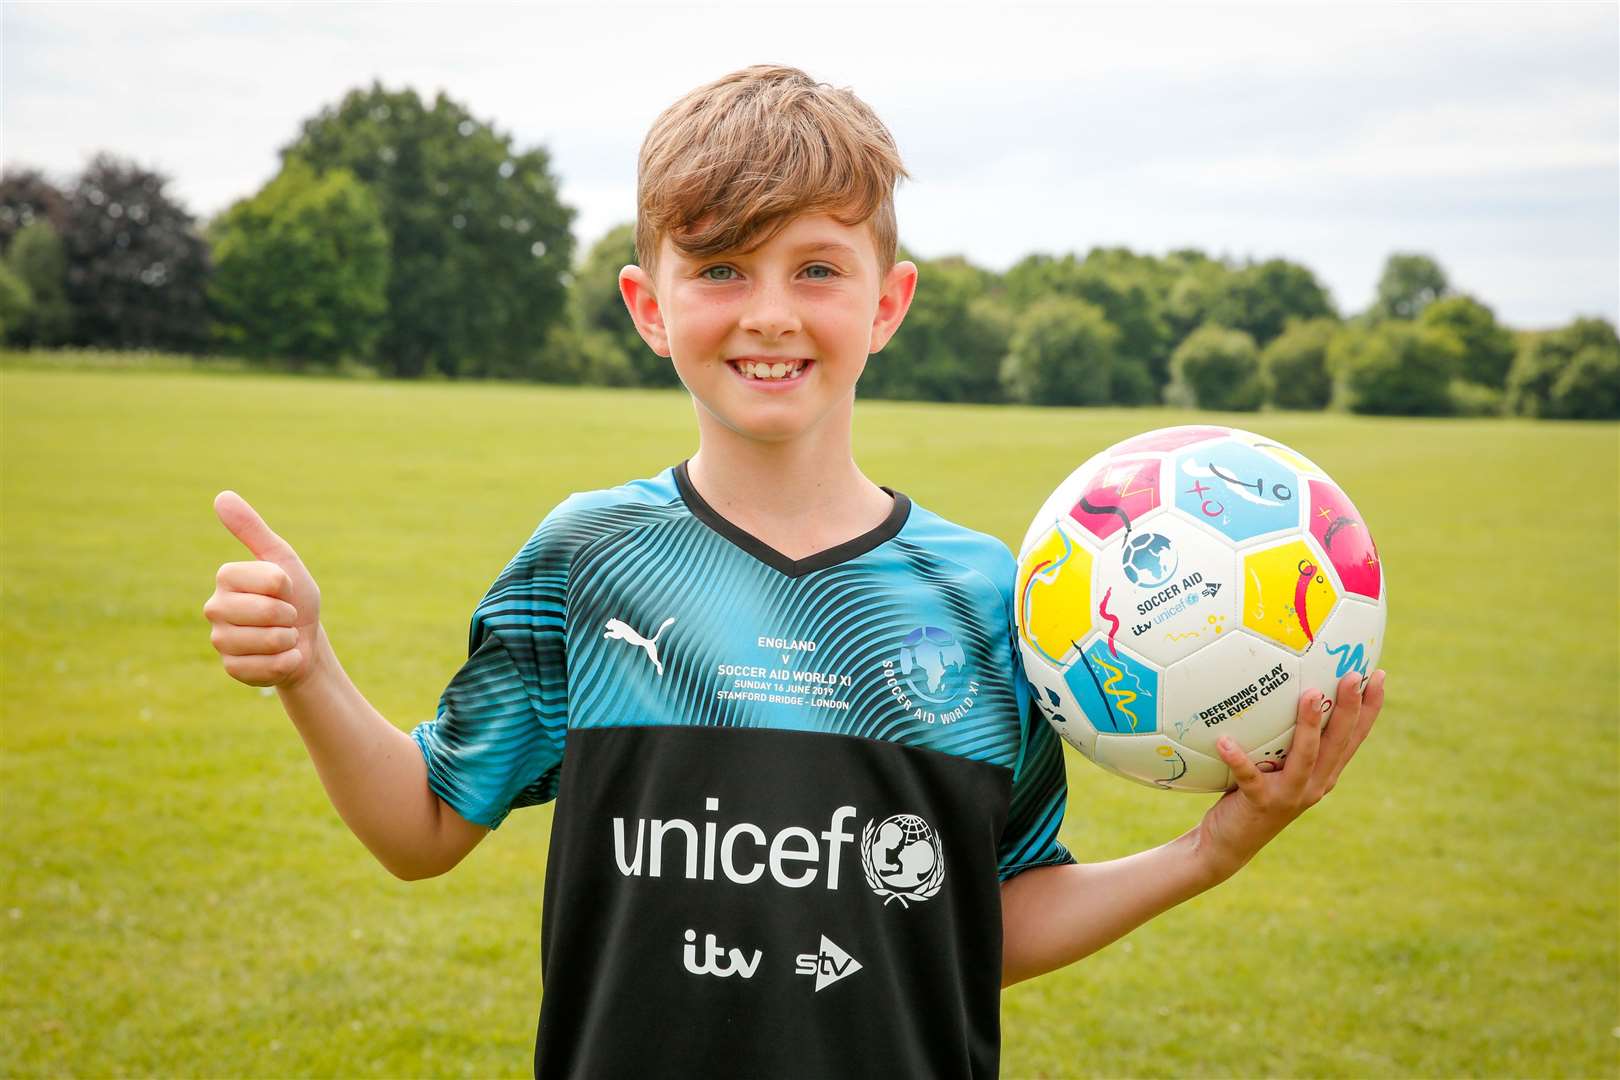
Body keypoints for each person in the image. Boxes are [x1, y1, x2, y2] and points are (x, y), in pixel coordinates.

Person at [204, 64, 1386, 1079]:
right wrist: (309, 669)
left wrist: (1209, 851)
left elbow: (986, 915)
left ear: (889, 301)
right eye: (719, 268)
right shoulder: (589, 558)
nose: (769, 312)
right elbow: (420, 828)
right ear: (648, 306)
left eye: (816, 269)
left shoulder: (994, 603)